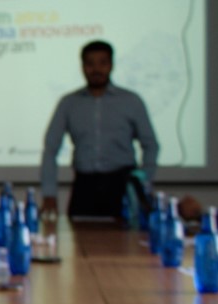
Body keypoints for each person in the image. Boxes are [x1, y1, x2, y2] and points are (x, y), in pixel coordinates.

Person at [40, 40, 158, 219]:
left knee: (127, 244)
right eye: (90, 63)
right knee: (79, 243)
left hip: (122, 185)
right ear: (82, 66)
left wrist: (144, 180)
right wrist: (49, 193)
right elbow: (50, 150)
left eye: (102, 63)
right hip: (84, 186)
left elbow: (150, 144)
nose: (96, 69)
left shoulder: (131, 101)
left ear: (111, 65)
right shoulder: (69, 103)